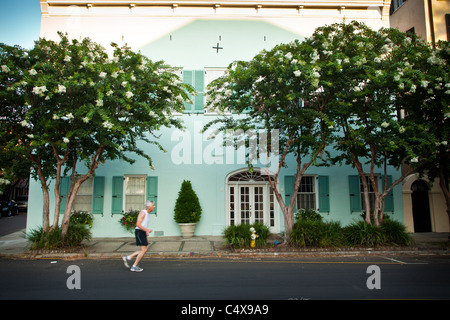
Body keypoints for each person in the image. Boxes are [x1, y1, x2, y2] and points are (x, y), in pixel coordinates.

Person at [122, 200, 155, 272]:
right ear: (149, 206)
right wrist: (146, 230)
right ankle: (134, 266)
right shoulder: (143, 213)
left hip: (142, 232)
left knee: (143, 249)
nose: (154, 207)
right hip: (139, 232)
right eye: (153, 205)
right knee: (144, 250)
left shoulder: (146, 213)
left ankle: (128, 257)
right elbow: (138, 224)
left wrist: (145, 231)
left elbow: (143, 224)